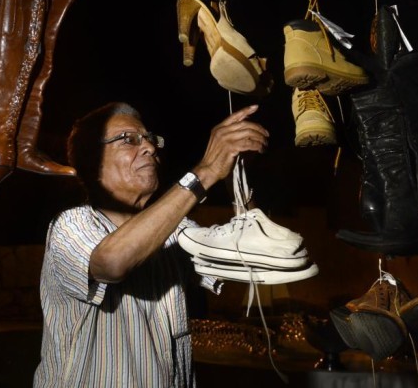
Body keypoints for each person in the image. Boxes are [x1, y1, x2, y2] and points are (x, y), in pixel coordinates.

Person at [33, 101, 269, 387]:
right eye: (128, 140)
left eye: (149, 139)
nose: (150, 148)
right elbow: (111, 263)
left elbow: (258, 257)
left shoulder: (176, 231)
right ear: (93, 164)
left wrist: (237, 181)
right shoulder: (71, 226)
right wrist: (205, 172)